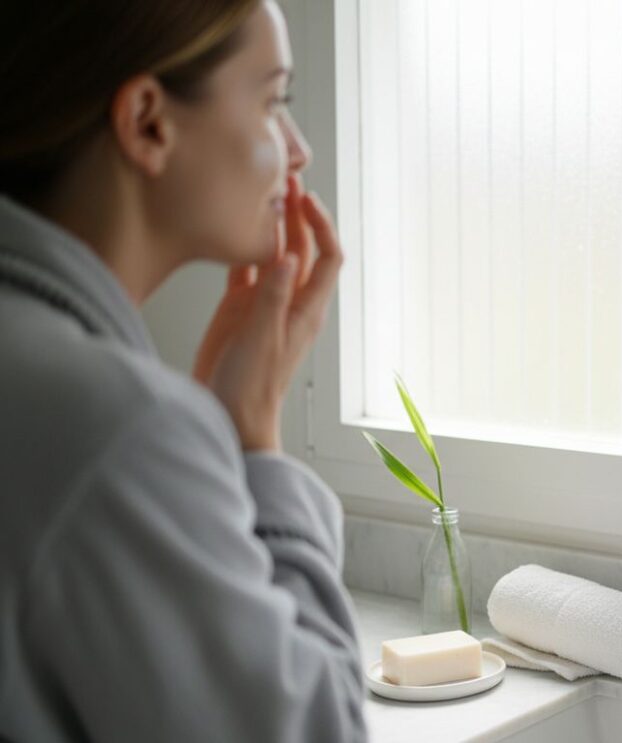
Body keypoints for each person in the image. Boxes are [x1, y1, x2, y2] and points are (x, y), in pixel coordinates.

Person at [0, 2, 367, 740]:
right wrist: (255, 445)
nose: (297, 150)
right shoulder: (120, 427)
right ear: (147, 123)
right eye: (273, 100)